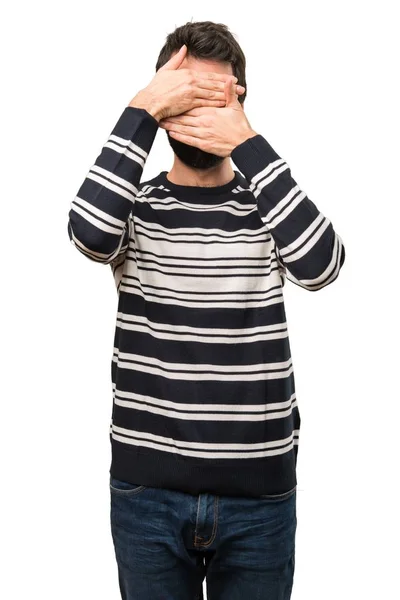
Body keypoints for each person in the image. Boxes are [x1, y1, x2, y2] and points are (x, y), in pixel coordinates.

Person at [67, 20, 345, 600]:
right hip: (147, 495)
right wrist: (141, 107)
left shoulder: (268, 207)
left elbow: (322, 266)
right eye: (182, 94)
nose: (196, 108)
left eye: (212, 95)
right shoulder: (135, 209)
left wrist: (247, 142)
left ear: (239, 102)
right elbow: (88, 231)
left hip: (260, 501)